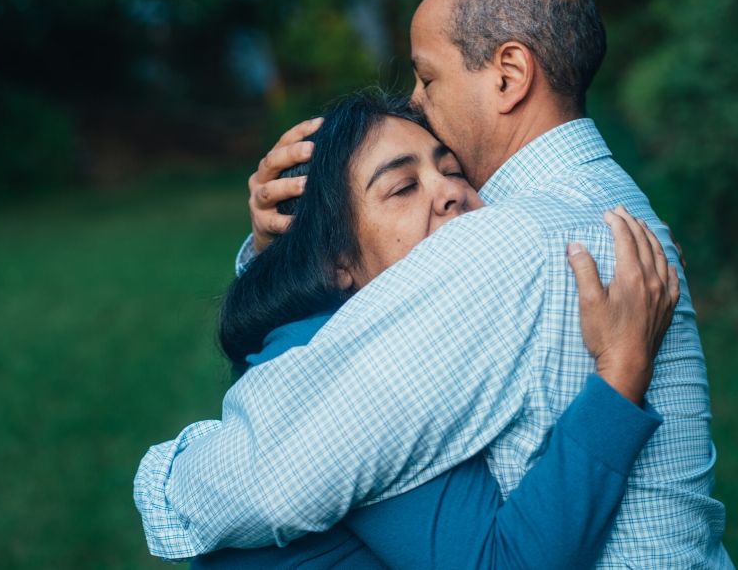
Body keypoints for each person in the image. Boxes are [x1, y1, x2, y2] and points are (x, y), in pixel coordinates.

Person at [138, 0, 731, 567]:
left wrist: (169, 476)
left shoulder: (508, 241)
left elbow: (267, 475)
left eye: (428, 76)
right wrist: (282, 250)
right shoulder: (617, 212)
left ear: (508, 75)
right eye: (402, 185)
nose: (417, 101)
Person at [182, 92, 673, 568]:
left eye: (452, 170)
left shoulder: (378, 332)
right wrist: (621, 372)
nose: (450, 191)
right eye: (402, 187)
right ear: (336, 262)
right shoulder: (359, 377)